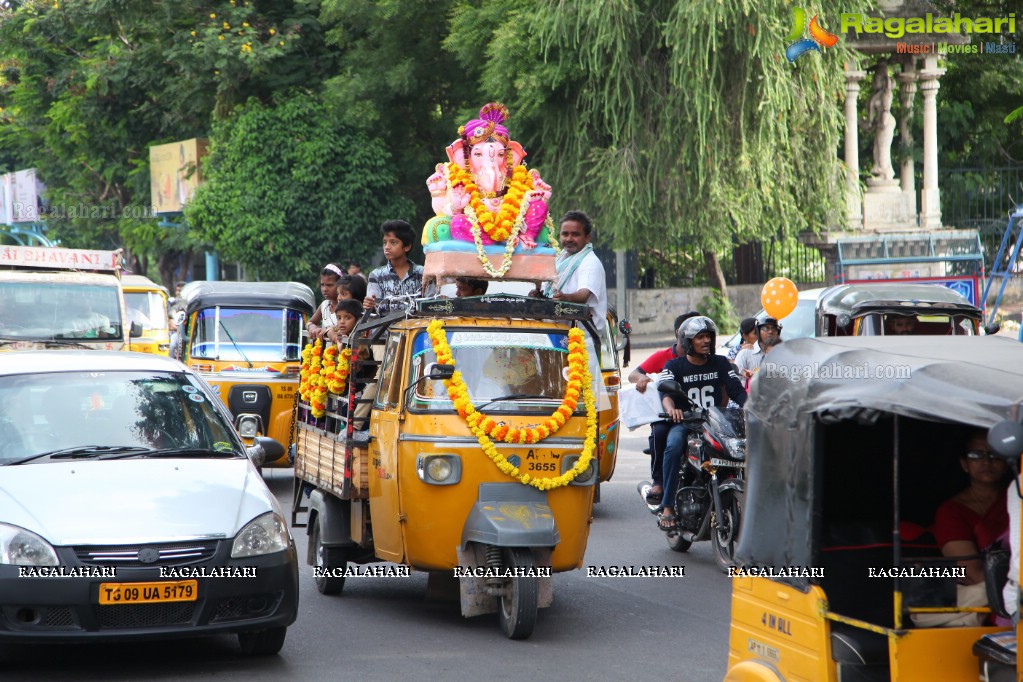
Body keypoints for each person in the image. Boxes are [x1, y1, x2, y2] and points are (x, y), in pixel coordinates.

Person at [657, 316, 747, 531]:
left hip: (717, 423)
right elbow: (664, 391)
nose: (706, 341)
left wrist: (752, 408)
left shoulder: (721, 363)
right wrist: (672, 410)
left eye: (708, 336)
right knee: (673, 446)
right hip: (687, 423)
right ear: (688, 341)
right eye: (700, 337)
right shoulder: (675, 366)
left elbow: (736, 390)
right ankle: (668, 505)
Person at [922, 430, 1010, 627]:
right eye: (976, 455)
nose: (986, 461)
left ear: (1007, 463)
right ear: (964, 464)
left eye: (995, 453)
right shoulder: (951, 511)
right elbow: (972, 572)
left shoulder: (1016, 498)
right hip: (995, 597)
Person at [627, 311, 701, 503]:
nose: (701, 339)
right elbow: (633, 374)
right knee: (659, 432)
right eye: (694, 333)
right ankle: (658, 481)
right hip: (667, 415)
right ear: (680, 332)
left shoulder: (707, 358)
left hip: (698, 415)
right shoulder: (664, 358)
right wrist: (642, 378)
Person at [530, 211, 607, 333]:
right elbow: (548, 291)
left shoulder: (590, 262)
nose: (569, 239)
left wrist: (565, 298)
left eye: (575, 234)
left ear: (588, 238)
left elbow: (584, 295)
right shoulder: (559, 259)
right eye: (565, 234)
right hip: (557, 334)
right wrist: (539, 296)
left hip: (583, 338)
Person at [364, 220, 424, 315]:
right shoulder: (376, 275)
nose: (387, 247)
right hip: (387, 329)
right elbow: (373, 311)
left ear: (407, 246)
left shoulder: (422, 273)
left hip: (418, 328)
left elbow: (431, 306)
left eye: (393, 243)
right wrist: (369, 305)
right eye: (385, 242)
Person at [734, 317, 781, 384]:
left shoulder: (783, 353)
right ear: (758, 331)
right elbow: (735, 381)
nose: (770, 332)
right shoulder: (745, 353)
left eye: (774, 328)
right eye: (765, 328)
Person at [306, 264, 344, 340]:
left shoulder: (346, 305)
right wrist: (312, 327)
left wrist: (328, 331)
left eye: (329, 285)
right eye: (322, 285)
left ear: (340, 285)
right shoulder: (324, 305)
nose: (324, 289)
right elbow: (310, 322)